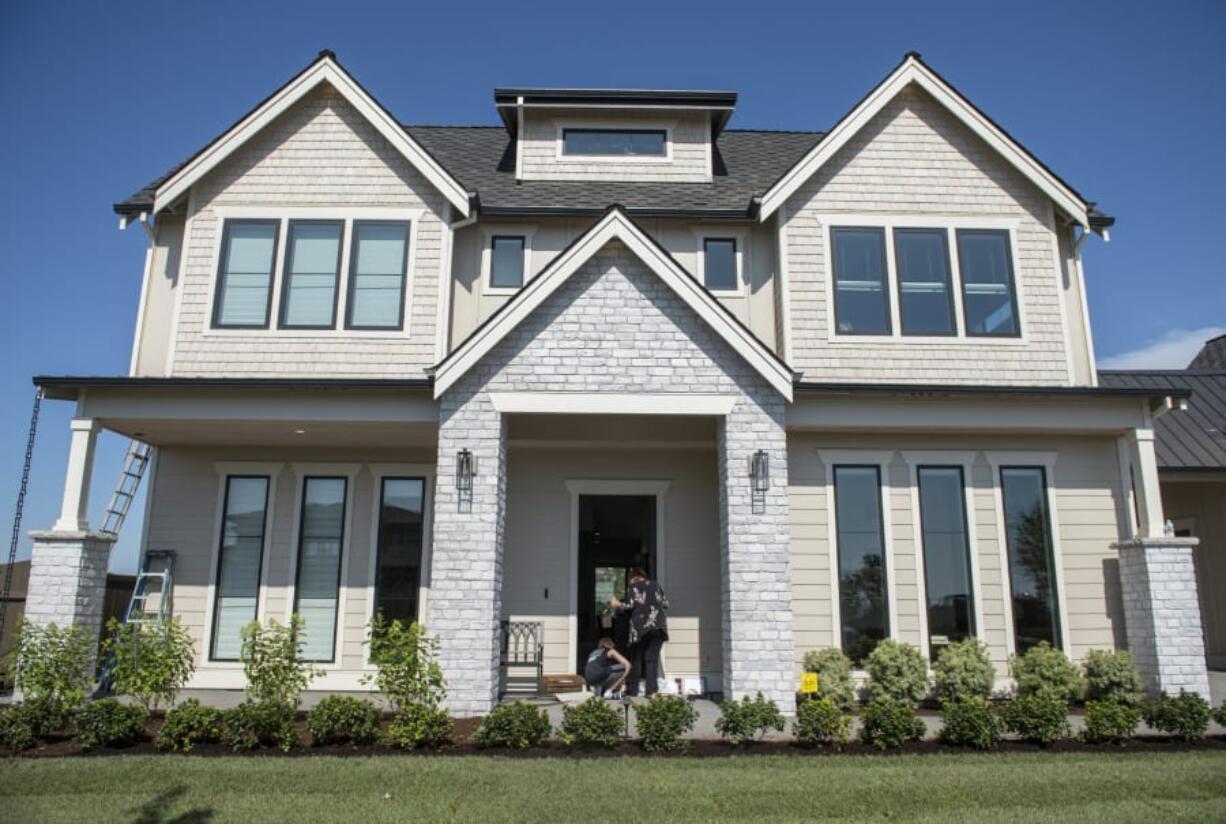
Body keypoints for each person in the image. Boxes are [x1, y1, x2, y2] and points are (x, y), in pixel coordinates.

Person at [608, 568, 669, 697]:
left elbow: (629, 606)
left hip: (640, 629)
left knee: (636, 659)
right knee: (651, 659)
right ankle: (651, 691)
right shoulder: (656, 585)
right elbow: (665, 604)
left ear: (633, 577)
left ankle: (633, 690)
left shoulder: (634, 587)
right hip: (659, 626)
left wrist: (617, 604)